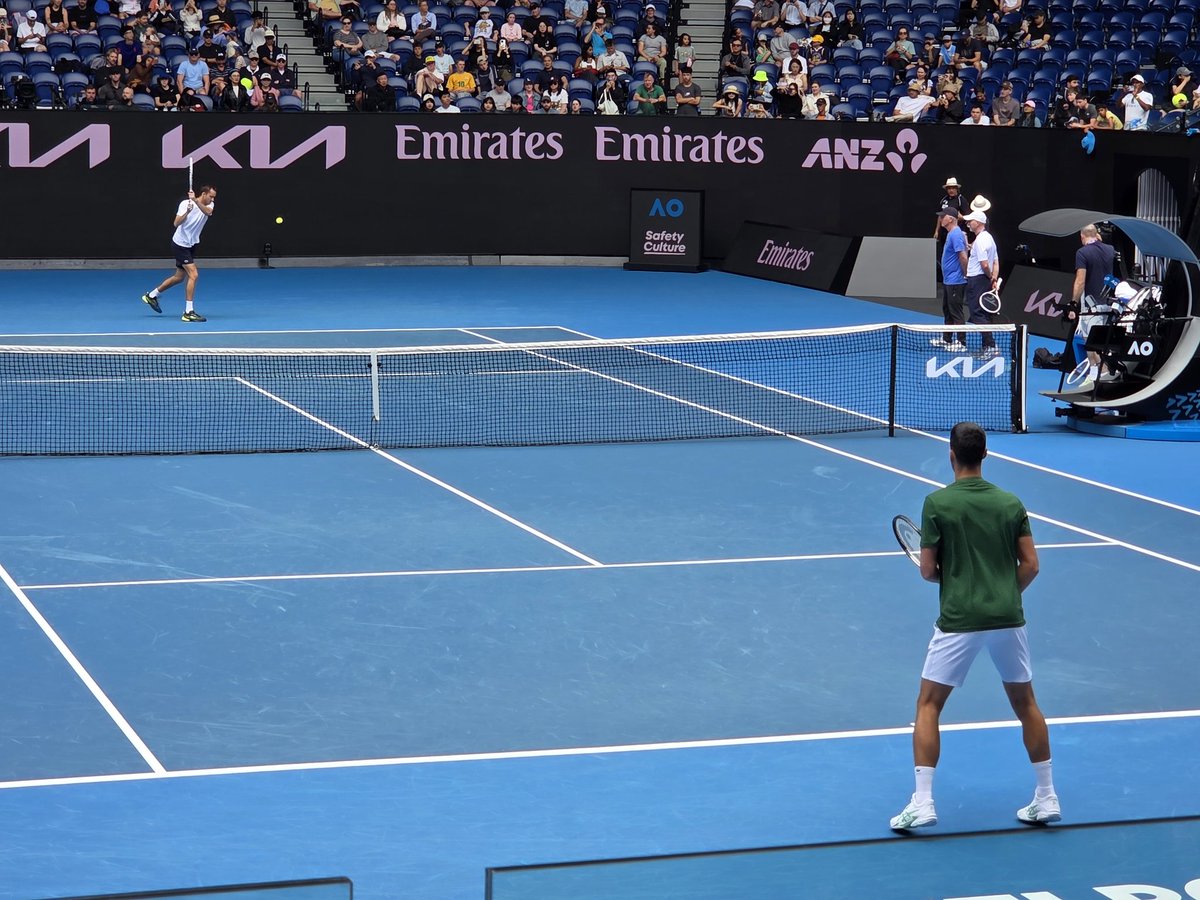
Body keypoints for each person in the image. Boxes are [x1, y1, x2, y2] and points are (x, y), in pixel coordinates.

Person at [889, 421, 1054, 832]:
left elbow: (928, 571)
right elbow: (1031, 565)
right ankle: (1047, 796)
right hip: (1007, 617)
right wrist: (1001, 591)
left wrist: (961, 580)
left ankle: (923, 802)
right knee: (1026, 704)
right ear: (984, 455)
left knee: (928, 705)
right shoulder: (1010, 502)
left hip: (960, 619)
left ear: (951, 455)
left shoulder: (937, 504)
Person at [141, 184, 217, 323]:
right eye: (211, 196)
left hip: (192, 244)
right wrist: (187, 212)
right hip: (180, 244)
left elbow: (207, 212)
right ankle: (188, 312)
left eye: (214, 197)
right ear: (204, 194)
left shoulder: (209, 205)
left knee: (179, 277)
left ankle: (151, 296)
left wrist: (195, 201)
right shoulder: (184, 204)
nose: (213, 199)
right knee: (193, 275)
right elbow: (176, 223)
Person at [1067, 223, 1118, 387]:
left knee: (1092, 344)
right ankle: (1094, 373)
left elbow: (1080, 281)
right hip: (1108, 305)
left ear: (1082, 237)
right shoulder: (1110, 249)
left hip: (1091, 308)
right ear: (1096, 235)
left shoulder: (1082, 252)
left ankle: (1105, 377)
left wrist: (1073, 302)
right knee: (1095, 343)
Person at [963, 210, 1000, 355]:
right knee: (984, 314)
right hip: (984, 280)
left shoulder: (980, 241)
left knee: (977, 313)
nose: (968, 224)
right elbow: (995, 262)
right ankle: (987, 346)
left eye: (970, 221)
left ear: (977, 223)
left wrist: (989, 276)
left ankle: (991, 346)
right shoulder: (989, 238)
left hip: (977, 280)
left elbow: (985, 265)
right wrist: (993, 279)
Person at [934, 209, 969, 350]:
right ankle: (947, 339)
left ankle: (961, 343)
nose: (941, 219)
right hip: (949, 280)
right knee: (947, 310)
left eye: (943, 217)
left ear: (950, 219)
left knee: (956, 311)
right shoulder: (951, 233)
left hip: (956, 280)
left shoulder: (956, 234)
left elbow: (963, 256)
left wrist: (966, 274)